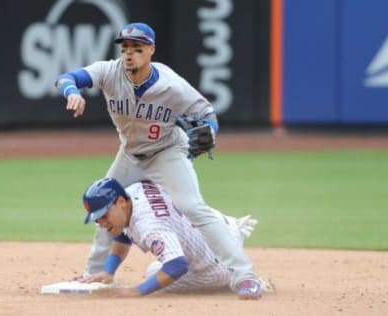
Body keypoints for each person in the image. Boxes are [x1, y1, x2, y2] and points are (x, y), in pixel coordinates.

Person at [55, 22, 262, 299]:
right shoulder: (109, 71)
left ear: (151, 50)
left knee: (193, 207)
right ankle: (97, 275)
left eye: (137, 48)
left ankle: (245, 276)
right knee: (105, 207)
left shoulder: (172, 85)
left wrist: (209, 130)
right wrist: (72, 93)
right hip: (129, 154)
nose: (129, 54)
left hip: (167, 152)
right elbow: (67, 77)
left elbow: (207, 114)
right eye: (125, 48)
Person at [79, 178, 263, 298]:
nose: (102, 223)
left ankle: (235, 277)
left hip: (217, 266)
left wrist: (136, 291)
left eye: (103, 216)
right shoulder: (134, 190)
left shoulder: (148, 226)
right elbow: (123, 230)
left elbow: (177, 265)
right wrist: (109, 271)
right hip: (223, 231)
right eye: (97, 219)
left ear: (120, 202)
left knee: (154, 272)